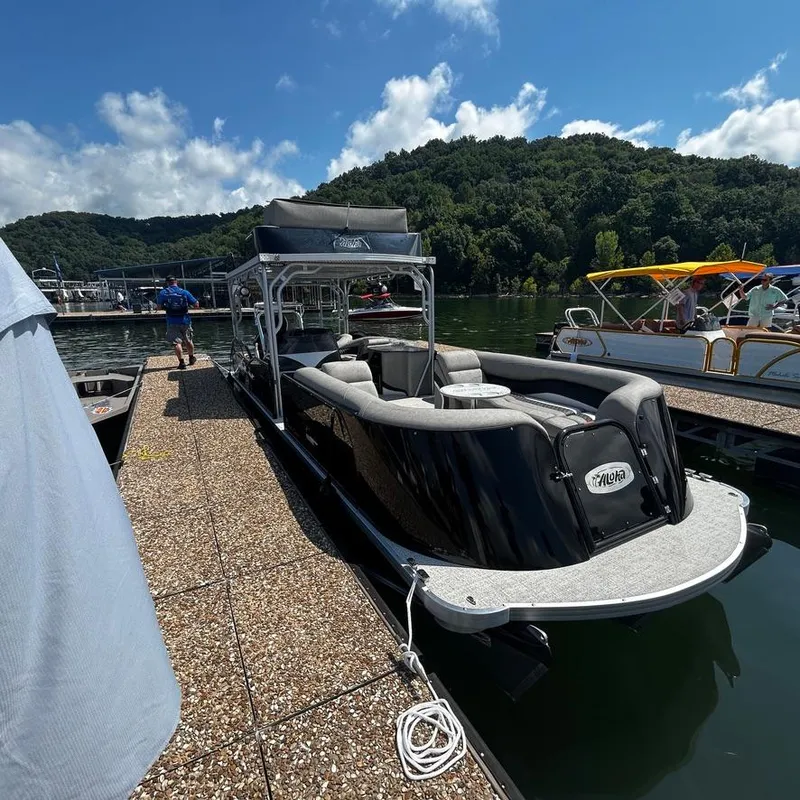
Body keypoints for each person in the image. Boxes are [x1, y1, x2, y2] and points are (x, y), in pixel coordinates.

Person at [157, 276, 199, 369]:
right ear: (176, 282)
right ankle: (191, 358)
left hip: (172, 321)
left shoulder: (163, 293)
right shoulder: (184, 292)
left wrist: (166, 307)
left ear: (167, 283)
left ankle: (182, 363)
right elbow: (196, 304)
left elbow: (159, 307)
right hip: (185, 320)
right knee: (188, 340)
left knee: (177, 343)